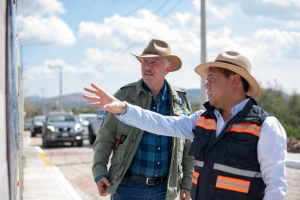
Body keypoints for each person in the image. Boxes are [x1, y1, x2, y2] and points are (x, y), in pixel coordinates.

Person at [83, 51, 288, 200]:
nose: (206, 85)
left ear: (234, 80)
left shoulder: (266, 127)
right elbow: (161, 123)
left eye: (212, 79)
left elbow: (276, 188)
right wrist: (123, 108)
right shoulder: (203, 120)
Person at [89, 39, 194, 200]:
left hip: (164, 190)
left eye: (154, 62)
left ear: (168, 68)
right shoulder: (124, 96)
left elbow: (188, 147)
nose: (147, 66)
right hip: (127, 188)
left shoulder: (180, 100)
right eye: (144, 61)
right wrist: (99, 171)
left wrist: (187, 183)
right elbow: (105, 137)